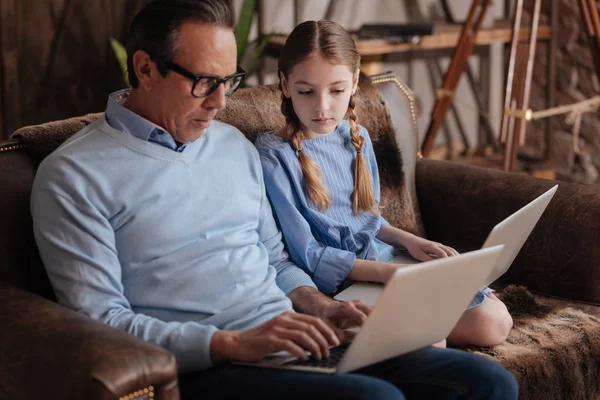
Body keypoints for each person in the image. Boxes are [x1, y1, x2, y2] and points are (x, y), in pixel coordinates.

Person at [30, 1, 517, 399]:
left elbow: (277, 259)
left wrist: (319, 306)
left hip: (292, 334)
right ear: (145, 68)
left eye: (229, 81)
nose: (221, 103)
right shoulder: (73, 176)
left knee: (487, 382)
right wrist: (231, 344)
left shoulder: (231, 146)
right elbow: (101, 322)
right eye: (204, 82)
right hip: (210, 364)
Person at [255, 19, 513, 348]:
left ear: (354, 83)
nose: (322, 106)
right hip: (341, 282)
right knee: (433, 341)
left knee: (495, 323)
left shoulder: (356, 136)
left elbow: (367, 220)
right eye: (307, 91)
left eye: (336, 90)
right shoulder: (272, 158)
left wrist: (411, 242)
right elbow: (308, 254)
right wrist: (390, 275)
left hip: (383, 260)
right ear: (286, 84)